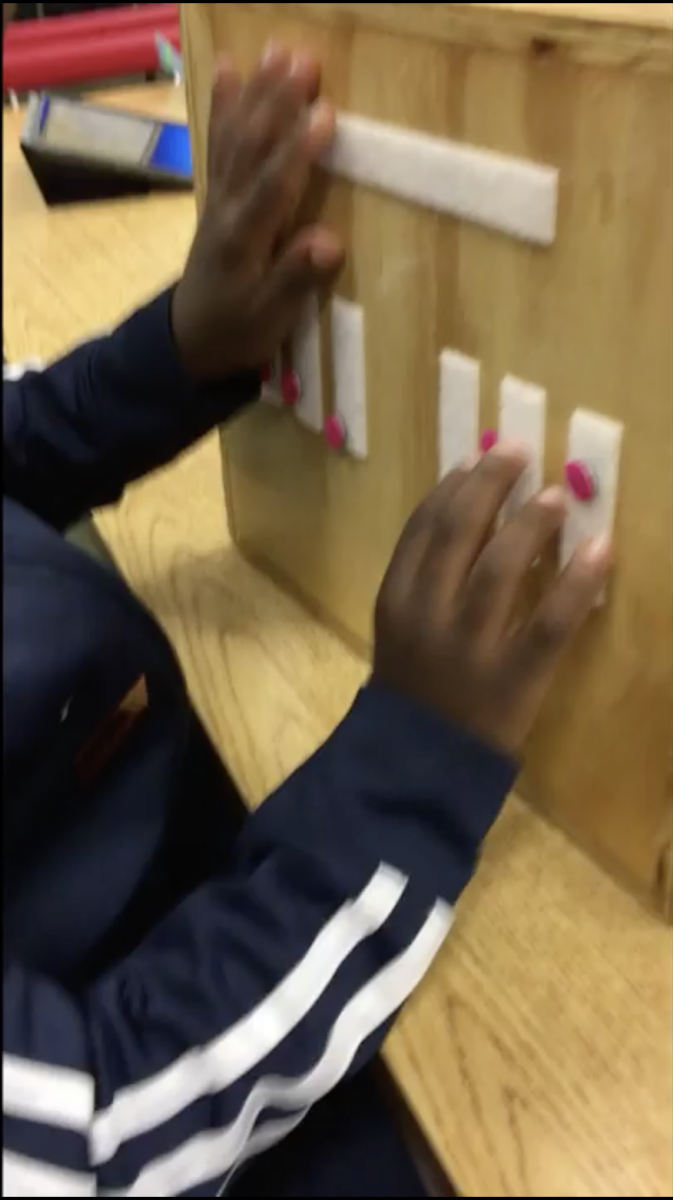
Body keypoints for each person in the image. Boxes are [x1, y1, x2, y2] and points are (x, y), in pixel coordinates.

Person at [2, 10, 612, 1197]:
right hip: (178, 1057)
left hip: (160, 810)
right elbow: (108, 1130)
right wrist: (412, 760)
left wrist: (177, 353)